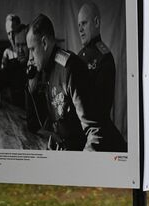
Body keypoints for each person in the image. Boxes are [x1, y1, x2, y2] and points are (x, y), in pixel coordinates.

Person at [25, 14, 105, 152]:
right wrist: (31, 85)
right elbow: (35, 123)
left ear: (44, 43)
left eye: (32, 49)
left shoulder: (70, 69)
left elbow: (95, 131)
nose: (30, 57)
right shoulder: (44, 70)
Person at [76, 2, 127, 152]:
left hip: (97, 132)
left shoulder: (105, 58)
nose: (80, 29)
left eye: (84, 23)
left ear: (96, 22)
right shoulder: (79, 56)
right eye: (78, 25)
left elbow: (101, 109)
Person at [0, 18, 29, 108]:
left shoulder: (39, 66)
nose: (20, 50)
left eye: (23, 45)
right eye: (17, 45)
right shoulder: (13, 65)